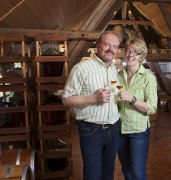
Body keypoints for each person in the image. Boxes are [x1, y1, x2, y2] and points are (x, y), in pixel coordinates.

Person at [62, 31, 121, 180]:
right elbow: (66, 99)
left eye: (115, 46)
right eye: (107, 44)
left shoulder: (114, 69)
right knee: (93, 175)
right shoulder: (81, 68)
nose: (111, 49)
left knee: (108, 174)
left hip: (113, 128)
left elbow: (116, 88)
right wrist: (93, 98)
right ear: (97, 46)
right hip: (92, 130)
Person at [117, 38, 158, 180]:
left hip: (138, 132)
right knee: (126, 171)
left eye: (136, 52)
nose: (130, 55)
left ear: (141, 56)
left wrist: (133, 99)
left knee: (138, 173)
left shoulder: (148, 77)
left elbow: (152, 108)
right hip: (120, 130)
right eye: (128, 50)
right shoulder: (118, 76)